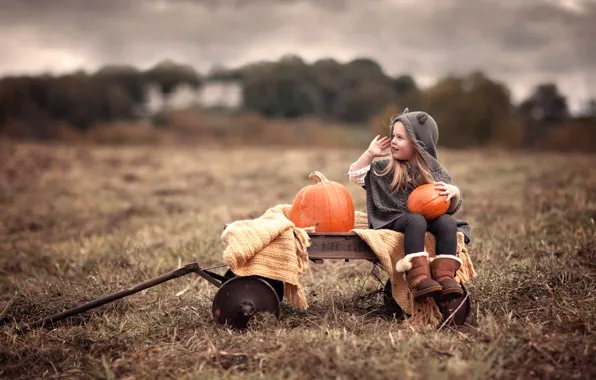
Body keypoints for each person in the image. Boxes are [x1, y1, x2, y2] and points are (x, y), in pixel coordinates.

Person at [347, 108, 471, 302]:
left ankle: (445, 276)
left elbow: (450, 205)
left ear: (418, 143)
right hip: (394, 218)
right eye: (393, 136)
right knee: (415, 220)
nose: (393, 141)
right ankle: (418, 277)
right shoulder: (385, 167)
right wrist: (370, 154)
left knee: (447, 222)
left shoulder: (434, 170)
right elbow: (356, 175)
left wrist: (454, 193)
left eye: (400, 137)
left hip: (428, 218)